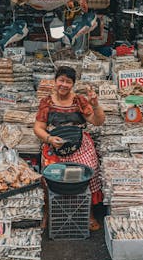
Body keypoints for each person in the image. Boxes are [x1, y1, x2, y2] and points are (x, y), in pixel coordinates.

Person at [34, 66, 105, 231]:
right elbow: (38, 127)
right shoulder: (47, 102)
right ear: (55, 81)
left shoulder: (79, 100)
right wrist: (49, 139)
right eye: (61, 80)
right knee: (49, 175)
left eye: (68, 81)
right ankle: (48, 211)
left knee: (90, 169)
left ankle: (89, 213)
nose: (64, 84)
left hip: (79, 143)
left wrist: (95, 105)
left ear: (73, 84)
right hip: (55, 144)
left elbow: (97, 121)